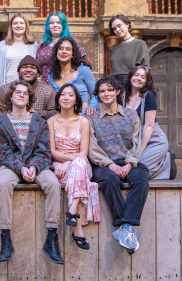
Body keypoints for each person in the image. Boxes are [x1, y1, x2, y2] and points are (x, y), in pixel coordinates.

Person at [0, 80, 63, 264]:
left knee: (53, 183)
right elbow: (3, 153)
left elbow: (43, 151)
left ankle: (51, 237)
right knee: (3, 183)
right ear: (11, 96)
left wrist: (33, 167)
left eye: (25, 93)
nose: (21, 95)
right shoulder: (1, 122)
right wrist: (21, 167)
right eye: (18, 92)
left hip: (36, 166)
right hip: (11, 166)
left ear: (29, 99)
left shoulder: (39, 122)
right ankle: (6, 238)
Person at [87, 77, 149, 255]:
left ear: (117, 92)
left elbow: (137, 143)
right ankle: (124, 226)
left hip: (128, 162)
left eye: (109, 90)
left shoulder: (131, 115)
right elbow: (92, 146)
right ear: (98, 95)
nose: (106, 93)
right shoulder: (92, 118)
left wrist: (130, 164)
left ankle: (126, 226)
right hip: (104, 163)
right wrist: (110, 164)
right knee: (108, 179)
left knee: (141, 177)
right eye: (102, 91)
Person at [48, 84, 100, 251]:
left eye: (70, 95)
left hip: (80, 165)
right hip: (59, 167)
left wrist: (69, 162)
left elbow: (83, 152)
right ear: (58, 99)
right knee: (77, 170)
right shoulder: (51, 121)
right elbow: (52, 152)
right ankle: (77, 230)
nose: (66, 98)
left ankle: (72, 209)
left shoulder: (84, 121)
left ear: (76, 100)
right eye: (63, 94)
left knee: (78, 164)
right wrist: (67, 162)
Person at [123, 66, 177, 179]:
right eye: (136, 75)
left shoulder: (148, 97)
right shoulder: (122, 97)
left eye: (143, 77)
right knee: (128, 171)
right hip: (134, 142)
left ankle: (168, 164)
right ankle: (161, 164)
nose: (138, 78)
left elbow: (149, 126)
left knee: (136, 171)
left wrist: (139, 152)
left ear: (146, 82)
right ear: (130, 77)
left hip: (153, 141)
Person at [0, 55, 57, 119]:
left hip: (40, 128)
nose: (28, 70)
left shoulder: (48, 90)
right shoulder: (5, 89)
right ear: (18, 72)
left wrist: (36, 113)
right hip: (10, 128)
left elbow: (56, 113)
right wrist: (12, 114)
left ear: (38, 74)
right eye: (24, 67)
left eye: (33, 68)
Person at [48, 37, 99, 114]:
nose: (64, 52)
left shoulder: (83, 70)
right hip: (60, 117)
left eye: (68, 49)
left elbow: (96, 94)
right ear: (56, 52)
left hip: (82, 117)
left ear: (73, 54)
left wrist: (92, 108)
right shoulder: (52, 75)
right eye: (61, 49)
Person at [37, 11, 87, 84]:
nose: (55, 25)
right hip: (45, 88)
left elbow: (82, 66)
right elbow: (38, 70)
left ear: (63, 25)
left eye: (58, 22)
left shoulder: (71, 44)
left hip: (64, 88)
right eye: (51, 23)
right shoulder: (43, 46)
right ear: (48, 26)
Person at [0, 13, 38, 89]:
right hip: (6, 88)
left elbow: (38, 68)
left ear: (26, 26)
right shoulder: (2, 45)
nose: (18, 26)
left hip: (27, 89)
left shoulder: (33, 45)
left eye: (21, 23)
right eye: (15, 23)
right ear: (11, 27)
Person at [109, 14, 150, 85]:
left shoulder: (139, 44)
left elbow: (145, 69)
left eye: (119, 26)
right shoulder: (113, 48)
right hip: (114, 85)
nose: (117, 30)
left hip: (131, 83)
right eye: (114, 29)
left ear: (127, 24)